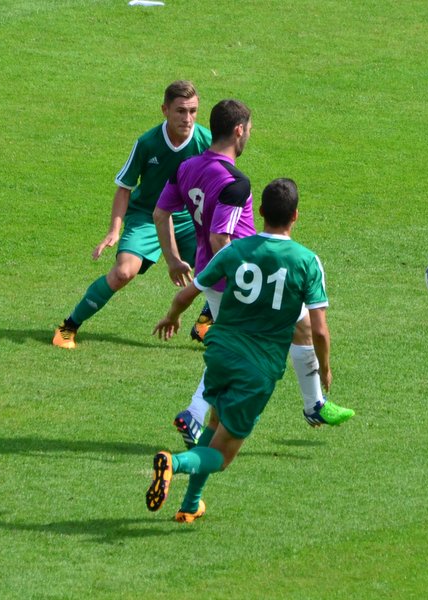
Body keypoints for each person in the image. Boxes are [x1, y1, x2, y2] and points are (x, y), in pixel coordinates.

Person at [147, 178, 351, 522]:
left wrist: (172, 318)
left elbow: (187, 294)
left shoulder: (233, 251)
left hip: (220, 353)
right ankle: (174, 463)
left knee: (214, 423)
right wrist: (326, 368)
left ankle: (190, 504)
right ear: (296, 216)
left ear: (259, 212)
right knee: (223, 455)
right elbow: (318, 330)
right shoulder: (307, 261)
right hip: (257, 369)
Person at [153, 100, 353, 449]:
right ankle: (195, 414)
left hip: (213, 273)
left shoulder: (185, 168)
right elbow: (220, 237)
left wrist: (172, 259)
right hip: (240, 278)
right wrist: (242, 284)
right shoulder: (235, 182)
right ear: (239, 130)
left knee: (296, 326)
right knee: (242, 348)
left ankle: (314, 405)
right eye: (249, 130)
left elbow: (160, 212)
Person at [52, 81, 213, 349]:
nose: (188, 118)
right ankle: (68, 327)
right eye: (181, 111)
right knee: (123, 272)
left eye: (193, 111)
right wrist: (114, 231)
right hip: (147, 217)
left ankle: (205, 324)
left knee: (221, 266)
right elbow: (124, 189)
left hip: (186, 219)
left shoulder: (206, 142)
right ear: (165, 110)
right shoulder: (147, 143)